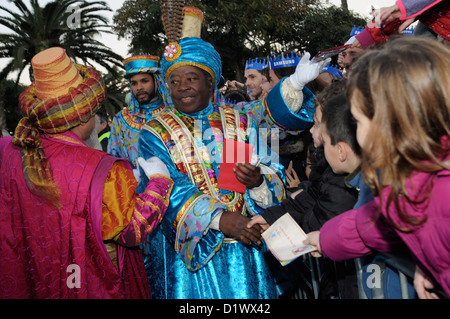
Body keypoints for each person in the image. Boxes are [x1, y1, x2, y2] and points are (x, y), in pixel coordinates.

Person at [137, 4, 330, 299]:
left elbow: (270, 159)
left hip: (246, 250)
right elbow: (168, 189)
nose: (182, 87)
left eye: (191, 78)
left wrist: (258, 183)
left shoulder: (238, 121)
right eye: (174, 81)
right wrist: (220, 220)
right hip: (188, 263)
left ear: (211, 81)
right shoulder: (154, 131)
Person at [0, 47, 174, 299]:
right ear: (85, 114)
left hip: (33, 276)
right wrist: (160, 182)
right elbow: (132, 230)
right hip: (87, 285)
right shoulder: (102, 168)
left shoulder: (8, 150)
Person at [305, 37, 450, 299]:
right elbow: (373, 224)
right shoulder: (412, 182)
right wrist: (326, 240)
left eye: (358, 122)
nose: (356, 135)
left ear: (391, 122)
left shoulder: (440, 195)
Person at [108, 54, 169, 169]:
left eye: (144, 81)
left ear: (156, 81)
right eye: (134, 83)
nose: (139, 87)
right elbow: (114, 164)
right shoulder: (120, 120)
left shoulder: (174, 114)